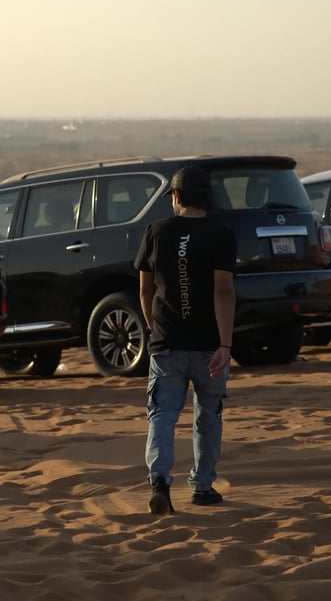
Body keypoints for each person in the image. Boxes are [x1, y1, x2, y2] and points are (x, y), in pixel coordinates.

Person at [134, 165, 236, 514]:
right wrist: (225, 344)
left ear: (176, 197)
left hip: (167, 342)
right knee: (208, 415)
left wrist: (153, 328)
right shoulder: (221, 233)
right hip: (210, 344)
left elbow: (145, 290)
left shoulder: (156, 231)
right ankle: (203, 486)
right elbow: (223, 290)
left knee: (162, 412)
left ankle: (159, 480)